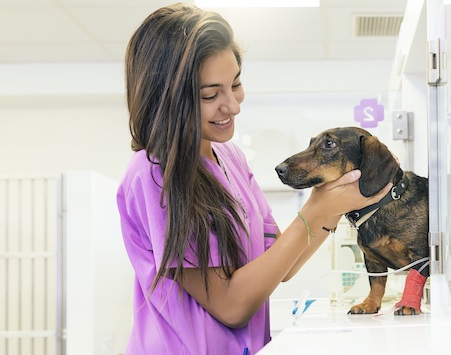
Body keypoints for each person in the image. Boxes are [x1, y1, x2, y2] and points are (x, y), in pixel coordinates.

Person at [116, 3, 391, 354]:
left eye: (236, 84)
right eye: (210, 95)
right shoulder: (154, 174)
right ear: (167, 101)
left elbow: (280, 264)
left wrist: (336, 202)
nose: (233, 106)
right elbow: (231, 306)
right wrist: (317, 210)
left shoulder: (229, 158)